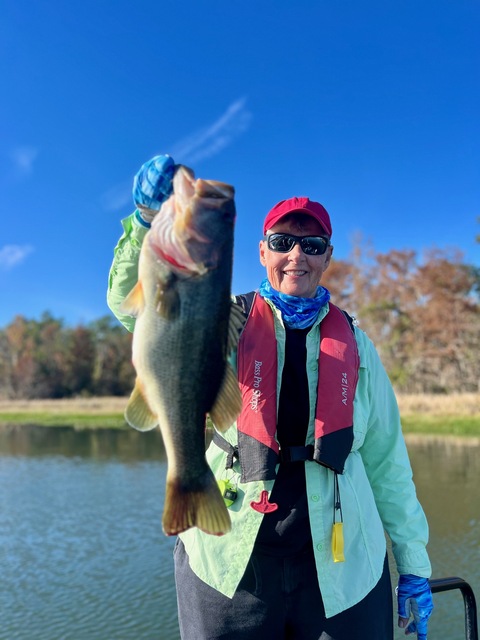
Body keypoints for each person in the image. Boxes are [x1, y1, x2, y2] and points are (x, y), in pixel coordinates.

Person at [107, 155, 434, 640]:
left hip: (343, 572)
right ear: (262, 252)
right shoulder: (222, 320)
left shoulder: (358, 348)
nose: (296, 256)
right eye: (282, 243)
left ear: (327, 257)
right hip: (229, 565)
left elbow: (388, 464)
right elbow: (131, 308)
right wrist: (143, 223)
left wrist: (413, 563)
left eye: (312, 244)